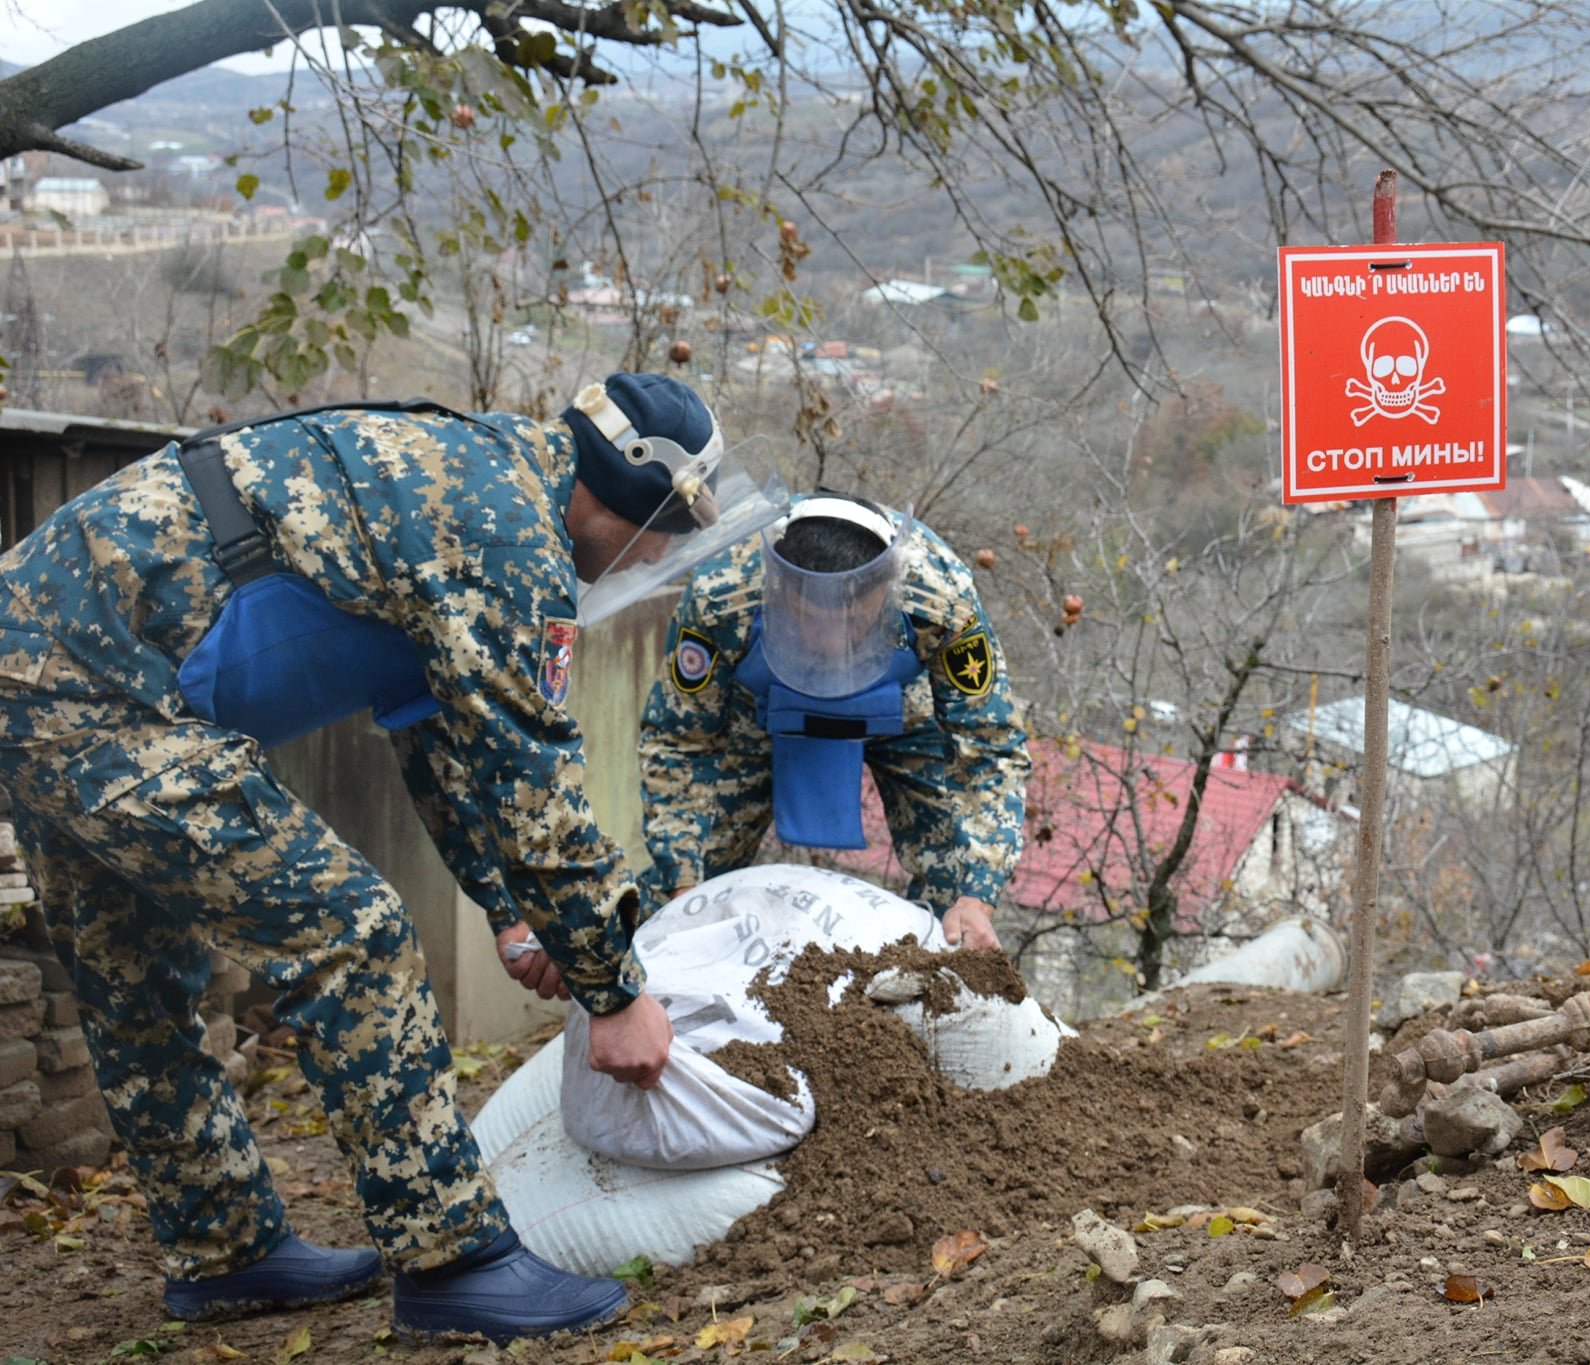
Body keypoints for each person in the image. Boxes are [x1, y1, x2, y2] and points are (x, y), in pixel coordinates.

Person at [0, 373, 729, 1342]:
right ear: (630, 498)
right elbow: (535, 785)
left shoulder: (479, 476)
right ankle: (452, 1261)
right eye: (667, 531)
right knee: (355, 934)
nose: (663, 553)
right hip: (96, 696)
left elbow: (443, 752)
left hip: (38, 666)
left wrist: (511, 915)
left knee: (138, 981)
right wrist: (613, 989)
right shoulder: (510, 533)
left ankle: (223, 1253)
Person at [636, 490, 1031, 950]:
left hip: (900, 703)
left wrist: (977, 895)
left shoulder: (940, 597)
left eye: (853, 623)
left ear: (887, 590)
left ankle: (929, 994)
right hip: (759, 704)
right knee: (692, 884)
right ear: (778, 589)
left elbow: (989, 746)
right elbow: (679, 741)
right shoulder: (724, 591)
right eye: (810, 621)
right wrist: (685, 885)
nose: (828, 645)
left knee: (956, 879)